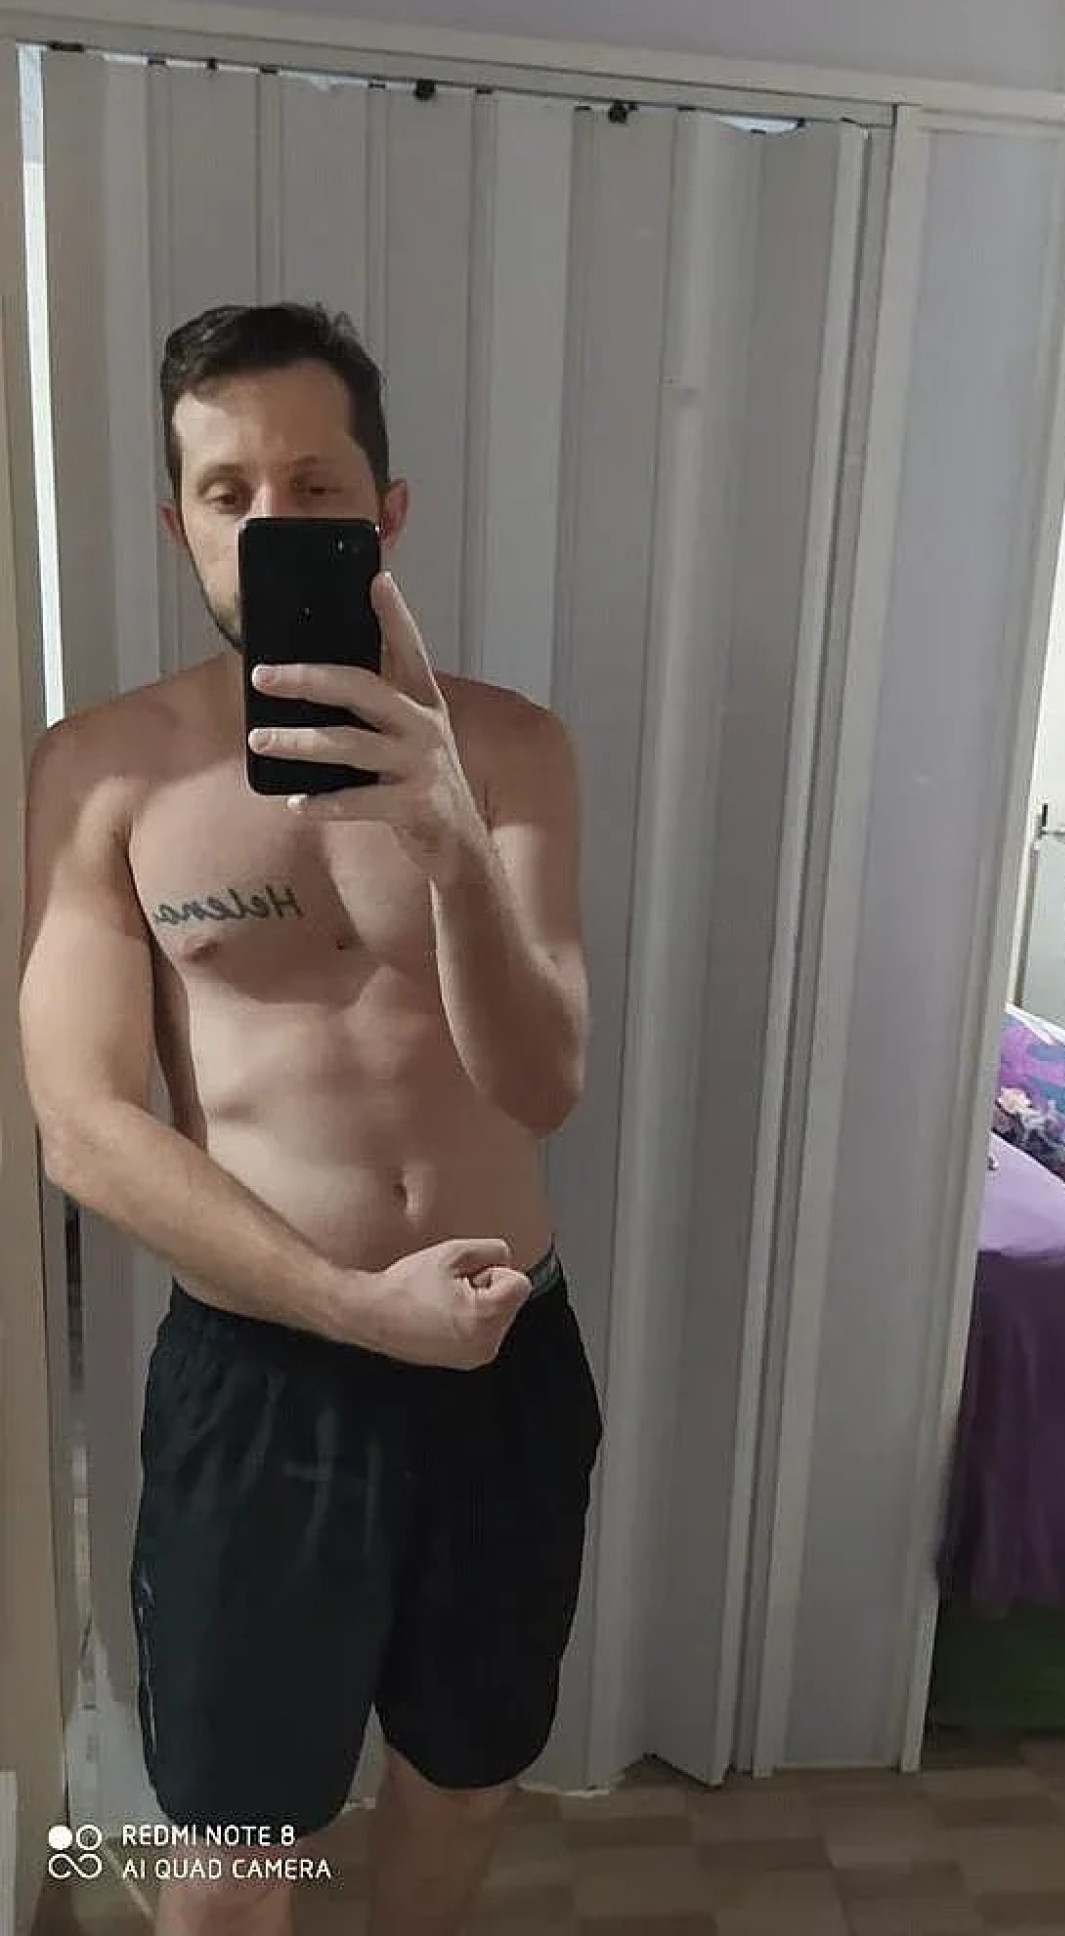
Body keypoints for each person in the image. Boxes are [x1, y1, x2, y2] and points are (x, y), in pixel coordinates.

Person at [19, 302, 603, 1936]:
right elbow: (82, 1123)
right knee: (228, 1852)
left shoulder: (513, 750)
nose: (271, 521)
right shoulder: (103, 773)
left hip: (503, 1366)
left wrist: (449, 843)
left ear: (386, 511)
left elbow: (543, 1085)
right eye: (229, 492)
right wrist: (355, 1308)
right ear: (180, 523)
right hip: (266, 1384)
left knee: (463, 1776)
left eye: (315, 486)